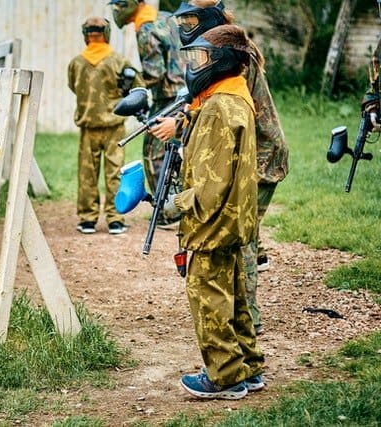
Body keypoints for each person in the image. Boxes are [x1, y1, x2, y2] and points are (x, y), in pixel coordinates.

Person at [150, 0, 290, 334]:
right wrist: (181, 120)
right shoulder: (217, 47)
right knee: (239, 237)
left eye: (192, 18)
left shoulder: (234, 53)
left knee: (239, 241)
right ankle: (240, 317)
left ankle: (246, 324)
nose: (187, 25)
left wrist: (180, 125)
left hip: (258, 158)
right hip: (243, 152)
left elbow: (225, 109)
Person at [159, 24, 265, 400]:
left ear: (220, 62)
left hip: (214, 220)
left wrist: (177, 204)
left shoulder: (220, 107)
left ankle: (224, 375)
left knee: (208, 292)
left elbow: (211, 181)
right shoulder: (235, 98)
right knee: (234, 290)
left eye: (201, 58)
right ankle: (248, 367)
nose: (195, 66)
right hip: (235, 217)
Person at [108, 0, 185, 228]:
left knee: (154, 153)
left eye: (119, 4)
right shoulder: (166, 18)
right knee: (180, 151)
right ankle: (181, 203)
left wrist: (131, 84)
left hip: (168, 99)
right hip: (186, 95)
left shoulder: (146, 29)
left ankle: (169, 212)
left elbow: (155, 74)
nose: (116, 10)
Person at [68, 16, 144, 235]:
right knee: (114, 173)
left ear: (86, 35)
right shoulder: (119, 61)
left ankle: (87, 220)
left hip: (88, 126)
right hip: (114, 127)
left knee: (87, 174)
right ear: (107, 34)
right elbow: (137, 89)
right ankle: (115, 219)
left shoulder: (76, 62)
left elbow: (73, 86)